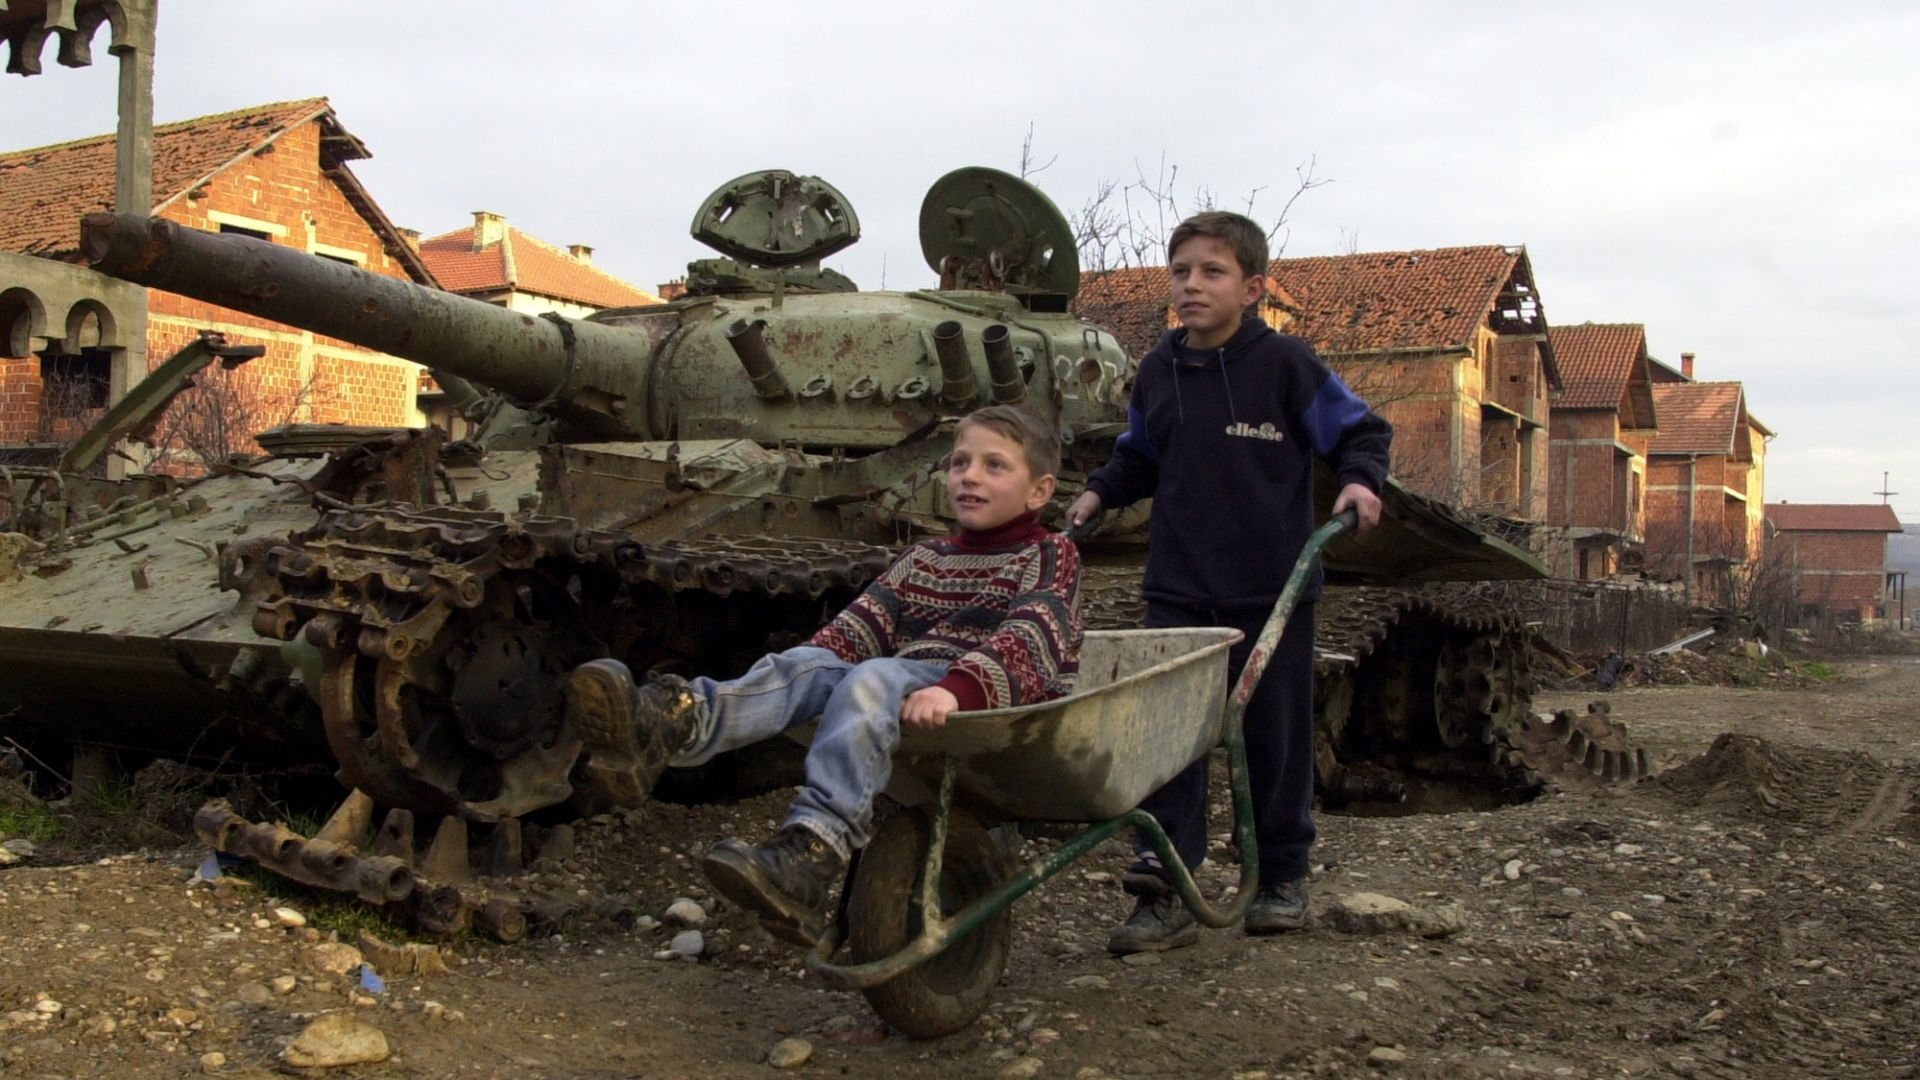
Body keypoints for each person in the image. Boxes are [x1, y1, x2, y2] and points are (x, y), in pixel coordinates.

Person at [567, 404, 1083, 948]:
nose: (969, 476)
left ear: (1039, 492)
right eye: (959, 463)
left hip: (993, 696)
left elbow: (1034, 635)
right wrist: (809, 673)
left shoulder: (1049, 554)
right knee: (811, 663)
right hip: (908, 684)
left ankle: (815, 850)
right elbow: (858, 628)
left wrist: (957, 689)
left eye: (994, 465)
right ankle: (675, 723)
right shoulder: (925, 556)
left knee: (875, 675)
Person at [1066, 211, 1391, 953]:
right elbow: (1139, 457)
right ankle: (1167, 886)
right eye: (1180, 272)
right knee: (1168, 741)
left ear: (1252, 287)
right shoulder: (1158, 371)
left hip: (1271, 590)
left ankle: (1280, 874)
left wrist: (1360, 482)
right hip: (1179, 586)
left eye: (1211, 272)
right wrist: (1099, 493)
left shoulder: (1286, 366)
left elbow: (1361, 431)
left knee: (1273, 741)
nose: (1192, 285)